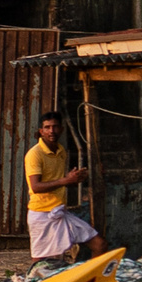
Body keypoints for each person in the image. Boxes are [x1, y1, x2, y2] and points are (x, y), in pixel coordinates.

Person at [25, 111, 100, 262]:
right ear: (41, 131)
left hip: (60, 212)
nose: (51, 131)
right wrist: (66, 181)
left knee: (99, 245)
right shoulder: (35, 154)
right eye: (47, 127)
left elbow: (58, 181)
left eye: (55, 127)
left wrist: (75, 179)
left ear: (61, 129)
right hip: (41, 215)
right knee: (40, 264)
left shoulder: (61, 151)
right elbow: (36, 187)